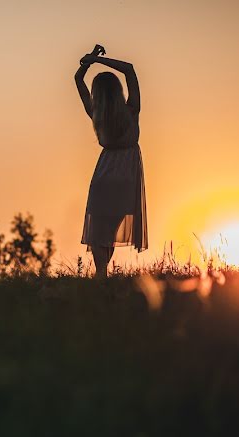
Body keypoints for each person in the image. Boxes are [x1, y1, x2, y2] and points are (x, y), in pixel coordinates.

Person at [75, 45, 148, 278]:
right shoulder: (131, 109)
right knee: (111, 225)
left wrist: (89, 62)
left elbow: (77, 79)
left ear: (97, 93)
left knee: (99, 225)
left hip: (104, 171)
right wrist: (97, 60)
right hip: (127, 173)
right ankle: (101, 276)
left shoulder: (96, 112)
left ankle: (101, 273)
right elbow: (129, 70)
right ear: (117, 91)